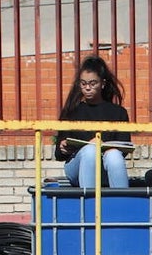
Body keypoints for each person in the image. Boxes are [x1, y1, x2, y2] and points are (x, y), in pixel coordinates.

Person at [54, 56, 132, 189]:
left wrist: (104, 146)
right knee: (90, 150)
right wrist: (63, 147)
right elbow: (59, 154)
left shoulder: (118, 112)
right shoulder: (72, 111)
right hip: (77, 167)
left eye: (92, 83)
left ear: (102, 83)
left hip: (106, 164)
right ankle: (89, 202)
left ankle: (121, 202)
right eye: (83, 84)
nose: (87, 88)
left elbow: (124, 149)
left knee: (113, 155)